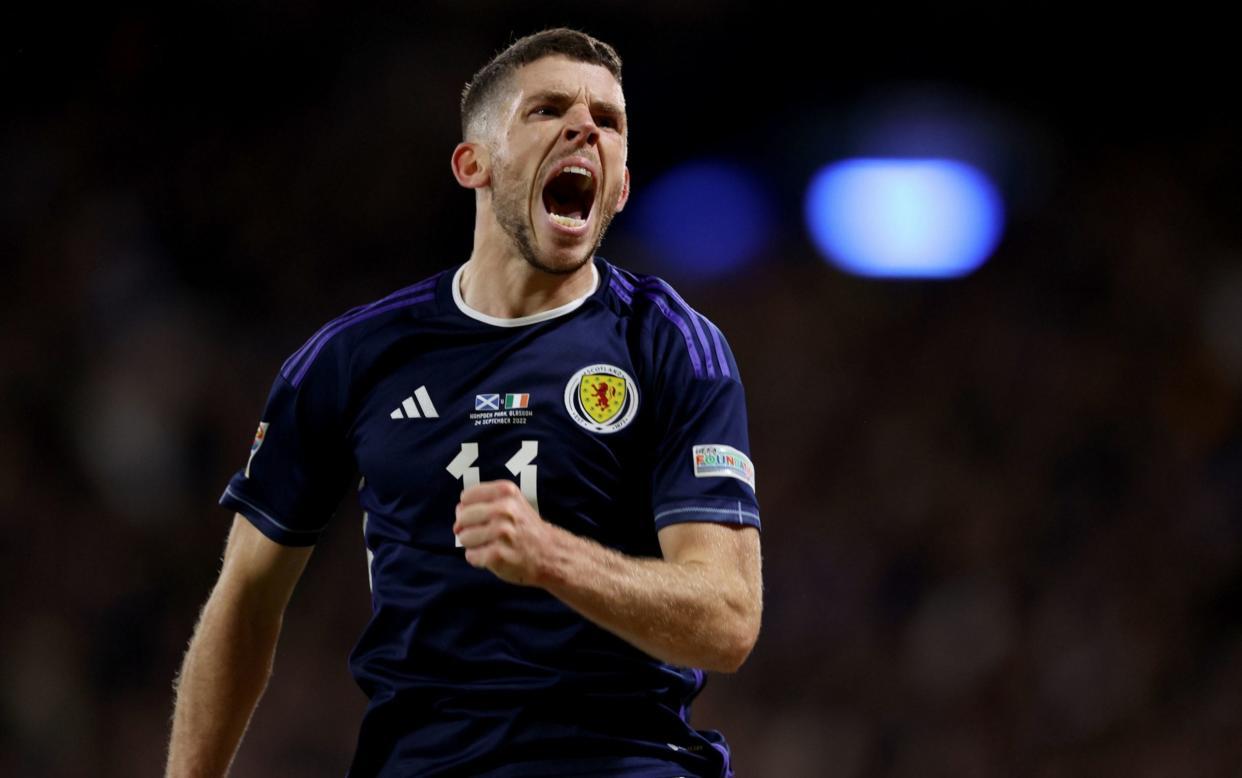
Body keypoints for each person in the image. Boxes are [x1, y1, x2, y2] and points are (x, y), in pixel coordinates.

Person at [166, 27, 763, 778]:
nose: (585, 126)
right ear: (472, 163)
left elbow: (729, 619)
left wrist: (551, 557)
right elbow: (247, 596)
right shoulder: (352, 358)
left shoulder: (670, 345)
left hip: (624, 761)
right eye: (547, 110)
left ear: (620, 186)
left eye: (608, 121)